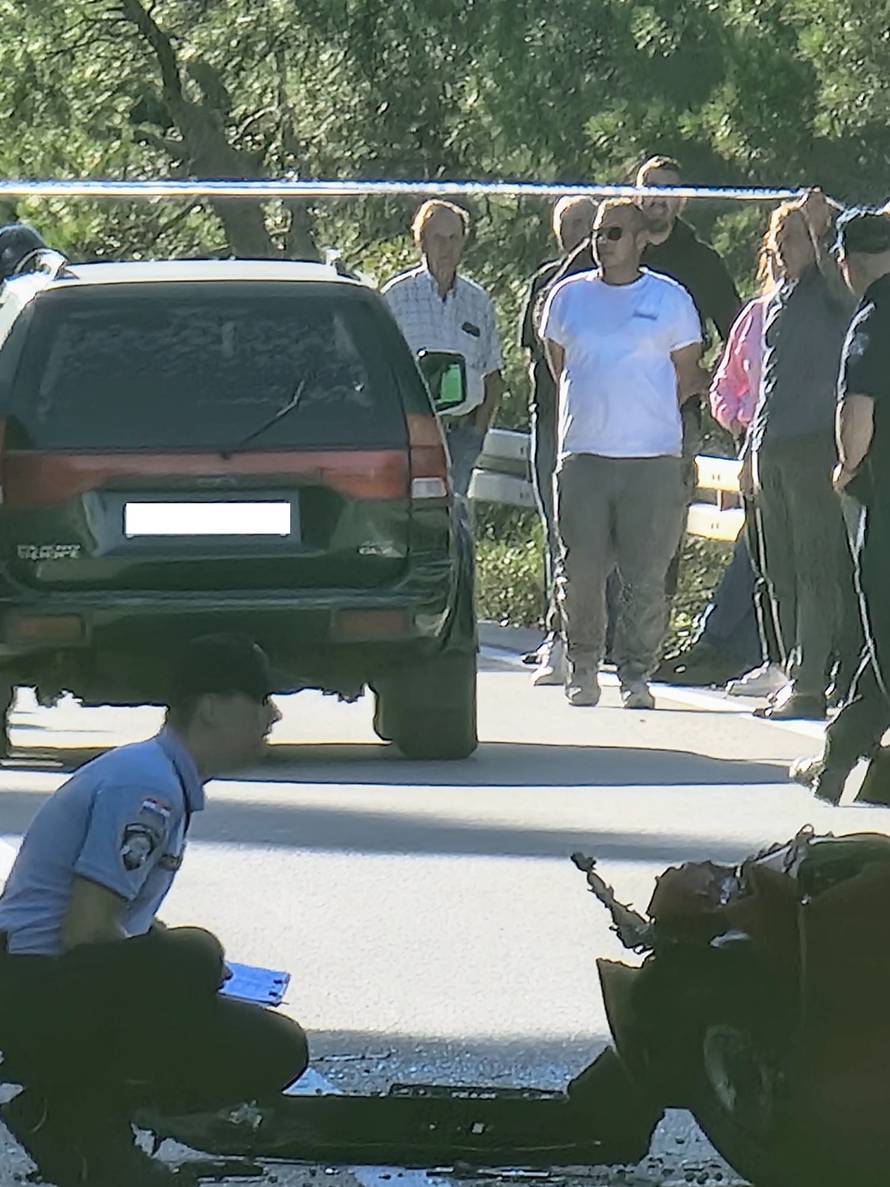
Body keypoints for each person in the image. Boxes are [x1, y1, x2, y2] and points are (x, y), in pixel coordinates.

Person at [0, 634, 309, 1186]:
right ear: (211, 706)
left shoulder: (159, 776)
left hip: (53, 988)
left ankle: (61, 1114)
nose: (274, 714)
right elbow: (87, 930)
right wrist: (190, 966)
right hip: (30, 990)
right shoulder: (146, 787)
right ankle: (90, 1131)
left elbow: (115, 927)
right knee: (193, 956)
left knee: (273, 1046)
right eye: (260, 698)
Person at [540, 199, 704, 709]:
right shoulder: (567, 298)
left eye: (614, 233)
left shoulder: (670, 299)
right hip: (584, 452)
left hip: (651, 456)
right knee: (582, 570)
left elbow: (687, 374)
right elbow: (557, 364)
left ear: (641, 240)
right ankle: (583, 665)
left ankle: (636, 674)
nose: (602, 242)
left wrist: (646, 412)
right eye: (597, 233)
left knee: (645, 575)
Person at [744, 191, 861, 721]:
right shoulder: (780, 300)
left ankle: (813, 679)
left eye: (793, 239)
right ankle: (794, 671)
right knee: (780, 570)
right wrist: (750, 452)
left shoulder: (832, 291)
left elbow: (844, 288)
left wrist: (818, 227)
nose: (784, 249)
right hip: (772, 443)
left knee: (817, 568)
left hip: (814, 443)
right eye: (779, 240)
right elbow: (767, 383)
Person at [789, 210, 890, 803]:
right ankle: (842, 758)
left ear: (846, 264)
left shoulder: (874, 318)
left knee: (886, 637)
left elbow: (858, 409)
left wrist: (848, 466)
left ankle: (843, 756)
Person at [658, 246, 785, 695]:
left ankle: (730, 644)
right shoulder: (755, 316)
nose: (785, 255)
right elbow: (724, 385)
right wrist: (738, 419)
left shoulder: (826, 311)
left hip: (799, 447)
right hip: (751, 443)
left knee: (766, 549)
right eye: (777, 245)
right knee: (758, 547)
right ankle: (725, 645)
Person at [518, 196, 598, 682]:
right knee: (559, 530)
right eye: (571, 225)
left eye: (590, 225)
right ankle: (559, 636)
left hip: (601, 422)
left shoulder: (619, 289)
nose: (582, 234)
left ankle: (597, 634)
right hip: (553, 420)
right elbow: (539, 341)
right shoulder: (547, 283)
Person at [382, 200, 505, 497]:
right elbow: (379, 372)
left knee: (454, 523)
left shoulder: (478, 302)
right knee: (414, 521)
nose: (446, 247)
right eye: (438, 238)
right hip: (411, 437)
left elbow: (494, 375)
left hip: (461, 436)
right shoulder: (395, 298)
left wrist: (477, 433)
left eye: (454, 238)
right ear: (421, 242)